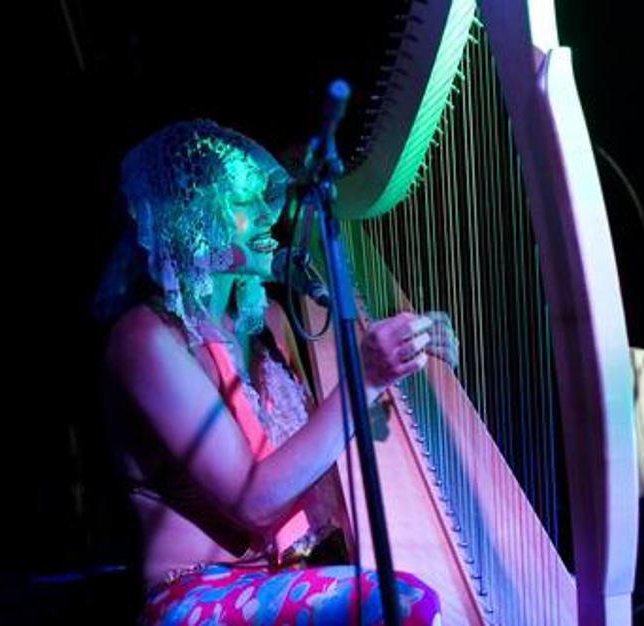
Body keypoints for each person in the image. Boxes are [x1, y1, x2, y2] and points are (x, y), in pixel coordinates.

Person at [95, 119, 456, 625]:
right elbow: (254, 500)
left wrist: (406, 353)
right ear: (193, 218)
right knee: (401, 602)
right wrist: (366, 379)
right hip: (194, 594)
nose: (269, 214)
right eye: (244, 203)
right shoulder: (146, 339)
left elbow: (311, 456)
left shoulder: (270, 322)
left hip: (283, 576)